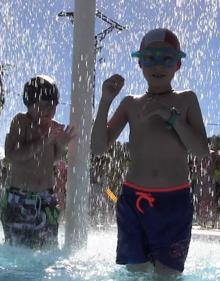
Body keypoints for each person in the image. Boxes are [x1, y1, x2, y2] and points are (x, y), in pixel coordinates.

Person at [91, 28, 209, 276]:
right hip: (134, 200)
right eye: (150, 58)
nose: (158, 65)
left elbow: (200, 152)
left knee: (167, 275)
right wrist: (105, 101)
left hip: (174, 203)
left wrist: (170, 116)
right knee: (136, 273)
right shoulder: (130, 103)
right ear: (140, 63)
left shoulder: (186, 100)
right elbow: (98, 147)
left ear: (178, 64)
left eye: (166, 58)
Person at [0, 75, 75, 248]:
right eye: (44, 104)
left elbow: (53, 160)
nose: (50, 109)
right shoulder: (21, 122)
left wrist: (62, 145)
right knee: (18, 253)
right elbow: (13, 155)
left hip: (46, 200)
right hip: (19, 199)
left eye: (54, 105)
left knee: (47, 252)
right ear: (30, 103)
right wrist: (45, 140)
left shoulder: (53, 127)